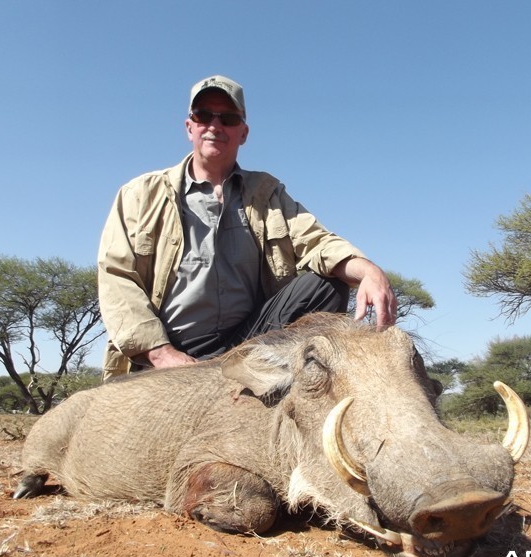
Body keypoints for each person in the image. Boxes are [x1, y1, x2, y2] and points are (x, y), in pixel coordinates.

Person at [98, 75, 397, 379]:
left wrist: (370, 273)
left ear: (243, 133)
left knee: (329, 284)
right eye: (203, 116)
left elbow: (317, 242)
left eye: (228, 118)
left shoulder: (266, 193)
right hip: (171, 344)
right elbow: (117, 277)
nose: (215, 126)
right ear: (189, 127)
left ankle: (290, 383)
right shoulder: (139, 194)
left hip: (251, 341)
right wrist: (162, 354)